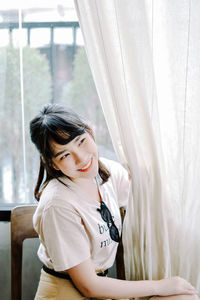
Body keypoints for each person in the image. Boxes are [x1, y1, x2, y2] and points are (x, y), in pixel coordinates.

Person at [30, 103, 198, 300]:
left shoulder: (106, 173)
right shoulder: (57, 205)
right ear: (51, 163)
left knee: (185, 297)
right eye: (65, 154)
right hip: (67, 293)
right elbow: (89, 287)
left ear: (90, 132)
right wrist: (160, 286)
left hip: (102, 291)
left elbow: (148, 188)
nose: (81, 158)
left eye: (81, 141)